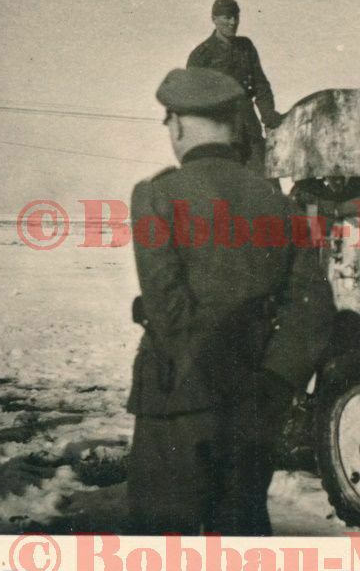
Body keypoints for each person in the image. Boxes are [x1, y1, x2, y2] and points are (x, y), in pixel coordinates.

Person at [127, 67, 334, 536]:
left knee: (160, 548)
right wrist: (274, 383)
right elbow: (313, 308)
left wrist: (201, 383)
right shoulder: (280, 205)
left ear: (177, 124)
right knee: (241, 539)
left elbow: (167, 309)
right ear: (234, 125)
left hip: (177, 406)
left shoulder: (157, 195)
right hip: (254, 405)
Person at [186, 0, 283, 178]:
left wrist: (268, 115)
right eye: (227, 17)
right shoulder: (201, 56)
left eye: (236, 17)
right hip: (220, 138)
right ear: (214, 19)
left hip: (250, 131)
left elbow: (261, 86)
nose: (233, 22)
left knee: (266, 189)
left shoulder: (245, 47)